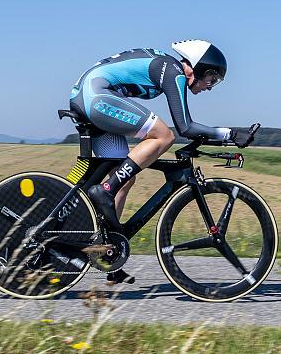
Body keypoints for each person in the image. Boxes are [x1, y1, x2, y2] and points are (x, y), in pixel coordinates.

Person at [69, 40, 253, 282]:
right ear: (197, 67)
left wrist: (220, 137)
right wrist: (229, 134)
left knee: (124, 178)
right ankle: (104, 191)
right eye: (211, 78)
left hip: (92, 95)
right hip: (95, 96)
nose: (210, 86)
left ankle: (108, 254)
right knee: (163, 136)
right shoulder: (173, 70)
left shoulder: (167, 68)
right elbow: (184, 126)